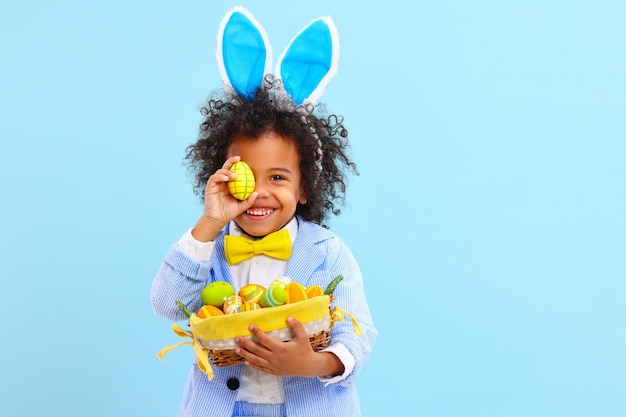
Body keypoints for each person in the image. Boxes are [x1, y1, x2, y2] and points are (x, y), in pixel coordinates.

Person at [151, 7, 377, 417]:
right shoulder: (211, 247)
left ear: (305, 186)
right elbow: (167, 303)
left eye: (277, 178)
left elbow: (358, 336)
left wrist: (313, 363)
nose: (258, 193)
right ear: (219, 174)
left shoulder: (328, 254)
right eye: (244, 175)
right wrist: (208, 224)